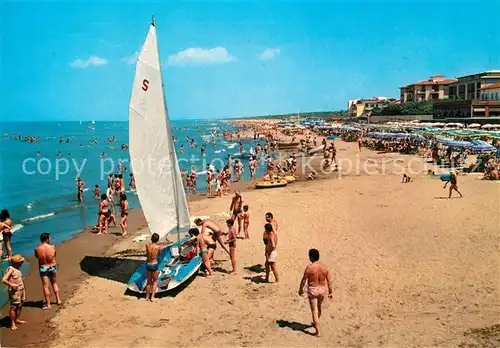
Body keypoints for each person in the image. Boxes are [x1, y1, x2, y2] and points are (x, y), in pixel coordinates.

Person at [298, 249, 333, 337]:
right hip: (322, 289)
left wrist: (300, 289)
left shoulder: (309, 267)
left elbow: (303, 280)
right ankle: (316, 321)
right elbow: (329, 282)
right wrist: (330, 292)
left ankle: (318, 331)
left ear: (311, 257)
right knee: (319, 307)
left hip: (313, 290)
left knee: (314, 311)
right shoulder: (324, 268)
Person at [34, 233, 61, 309]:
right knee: (54, 283)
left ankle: (48, 304)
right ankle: (58, 300)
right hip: (52, 266)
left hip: (43, 267)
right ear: (47, 239)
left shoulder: (37, 249)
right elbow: (54, 255)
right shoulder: (52, 247)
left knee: (45, 286)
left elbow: (37, 257)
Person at [2, 254, 26, 330]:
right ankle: (12, 323)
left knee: (20, 304)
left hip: (21, 289)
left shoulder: (17, 268)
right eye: (21, 262)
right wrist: (11, 284)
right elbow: (3, 280)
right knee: (13, 306)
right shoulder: (11, 269)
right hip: (14, 291)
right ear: (17, 263)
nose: (22, 263)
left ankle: (17, 319)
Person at [145, 233, 161, 302]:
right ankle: (152, 297)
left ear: (151, 238)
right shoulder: (158, 247)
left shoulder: (147, 246)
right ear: (157, 239)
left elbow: (147, 254)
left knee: (148, 282)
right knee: (155, 281)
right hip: (154, 264)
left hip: (148, 264)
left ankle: (147, 297)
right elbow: (159, 254)